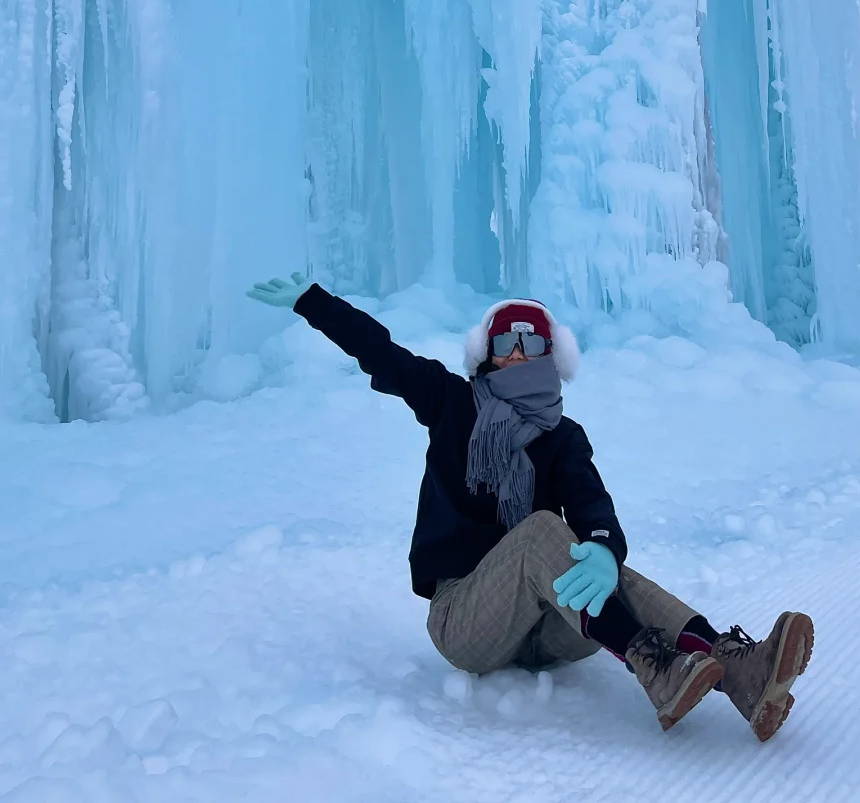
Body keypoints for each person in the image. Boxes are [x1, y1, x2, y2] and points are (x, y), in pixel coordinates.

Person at [248, 273, 814, 738]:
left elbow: (592, 502)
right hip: (465, 620)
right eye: (505, 343)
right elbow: (383, 354)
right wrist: (313, 303)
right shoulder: (451, 402)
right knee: (544, 532)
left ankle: (738, 669)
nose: (518, 352)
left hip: (546, 627)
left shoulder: (562, 436)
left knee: (606, 568)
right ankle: (655, 668)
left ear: (551, 354)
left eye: (532, 342)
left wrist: (603, 546)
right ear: (486, 354)